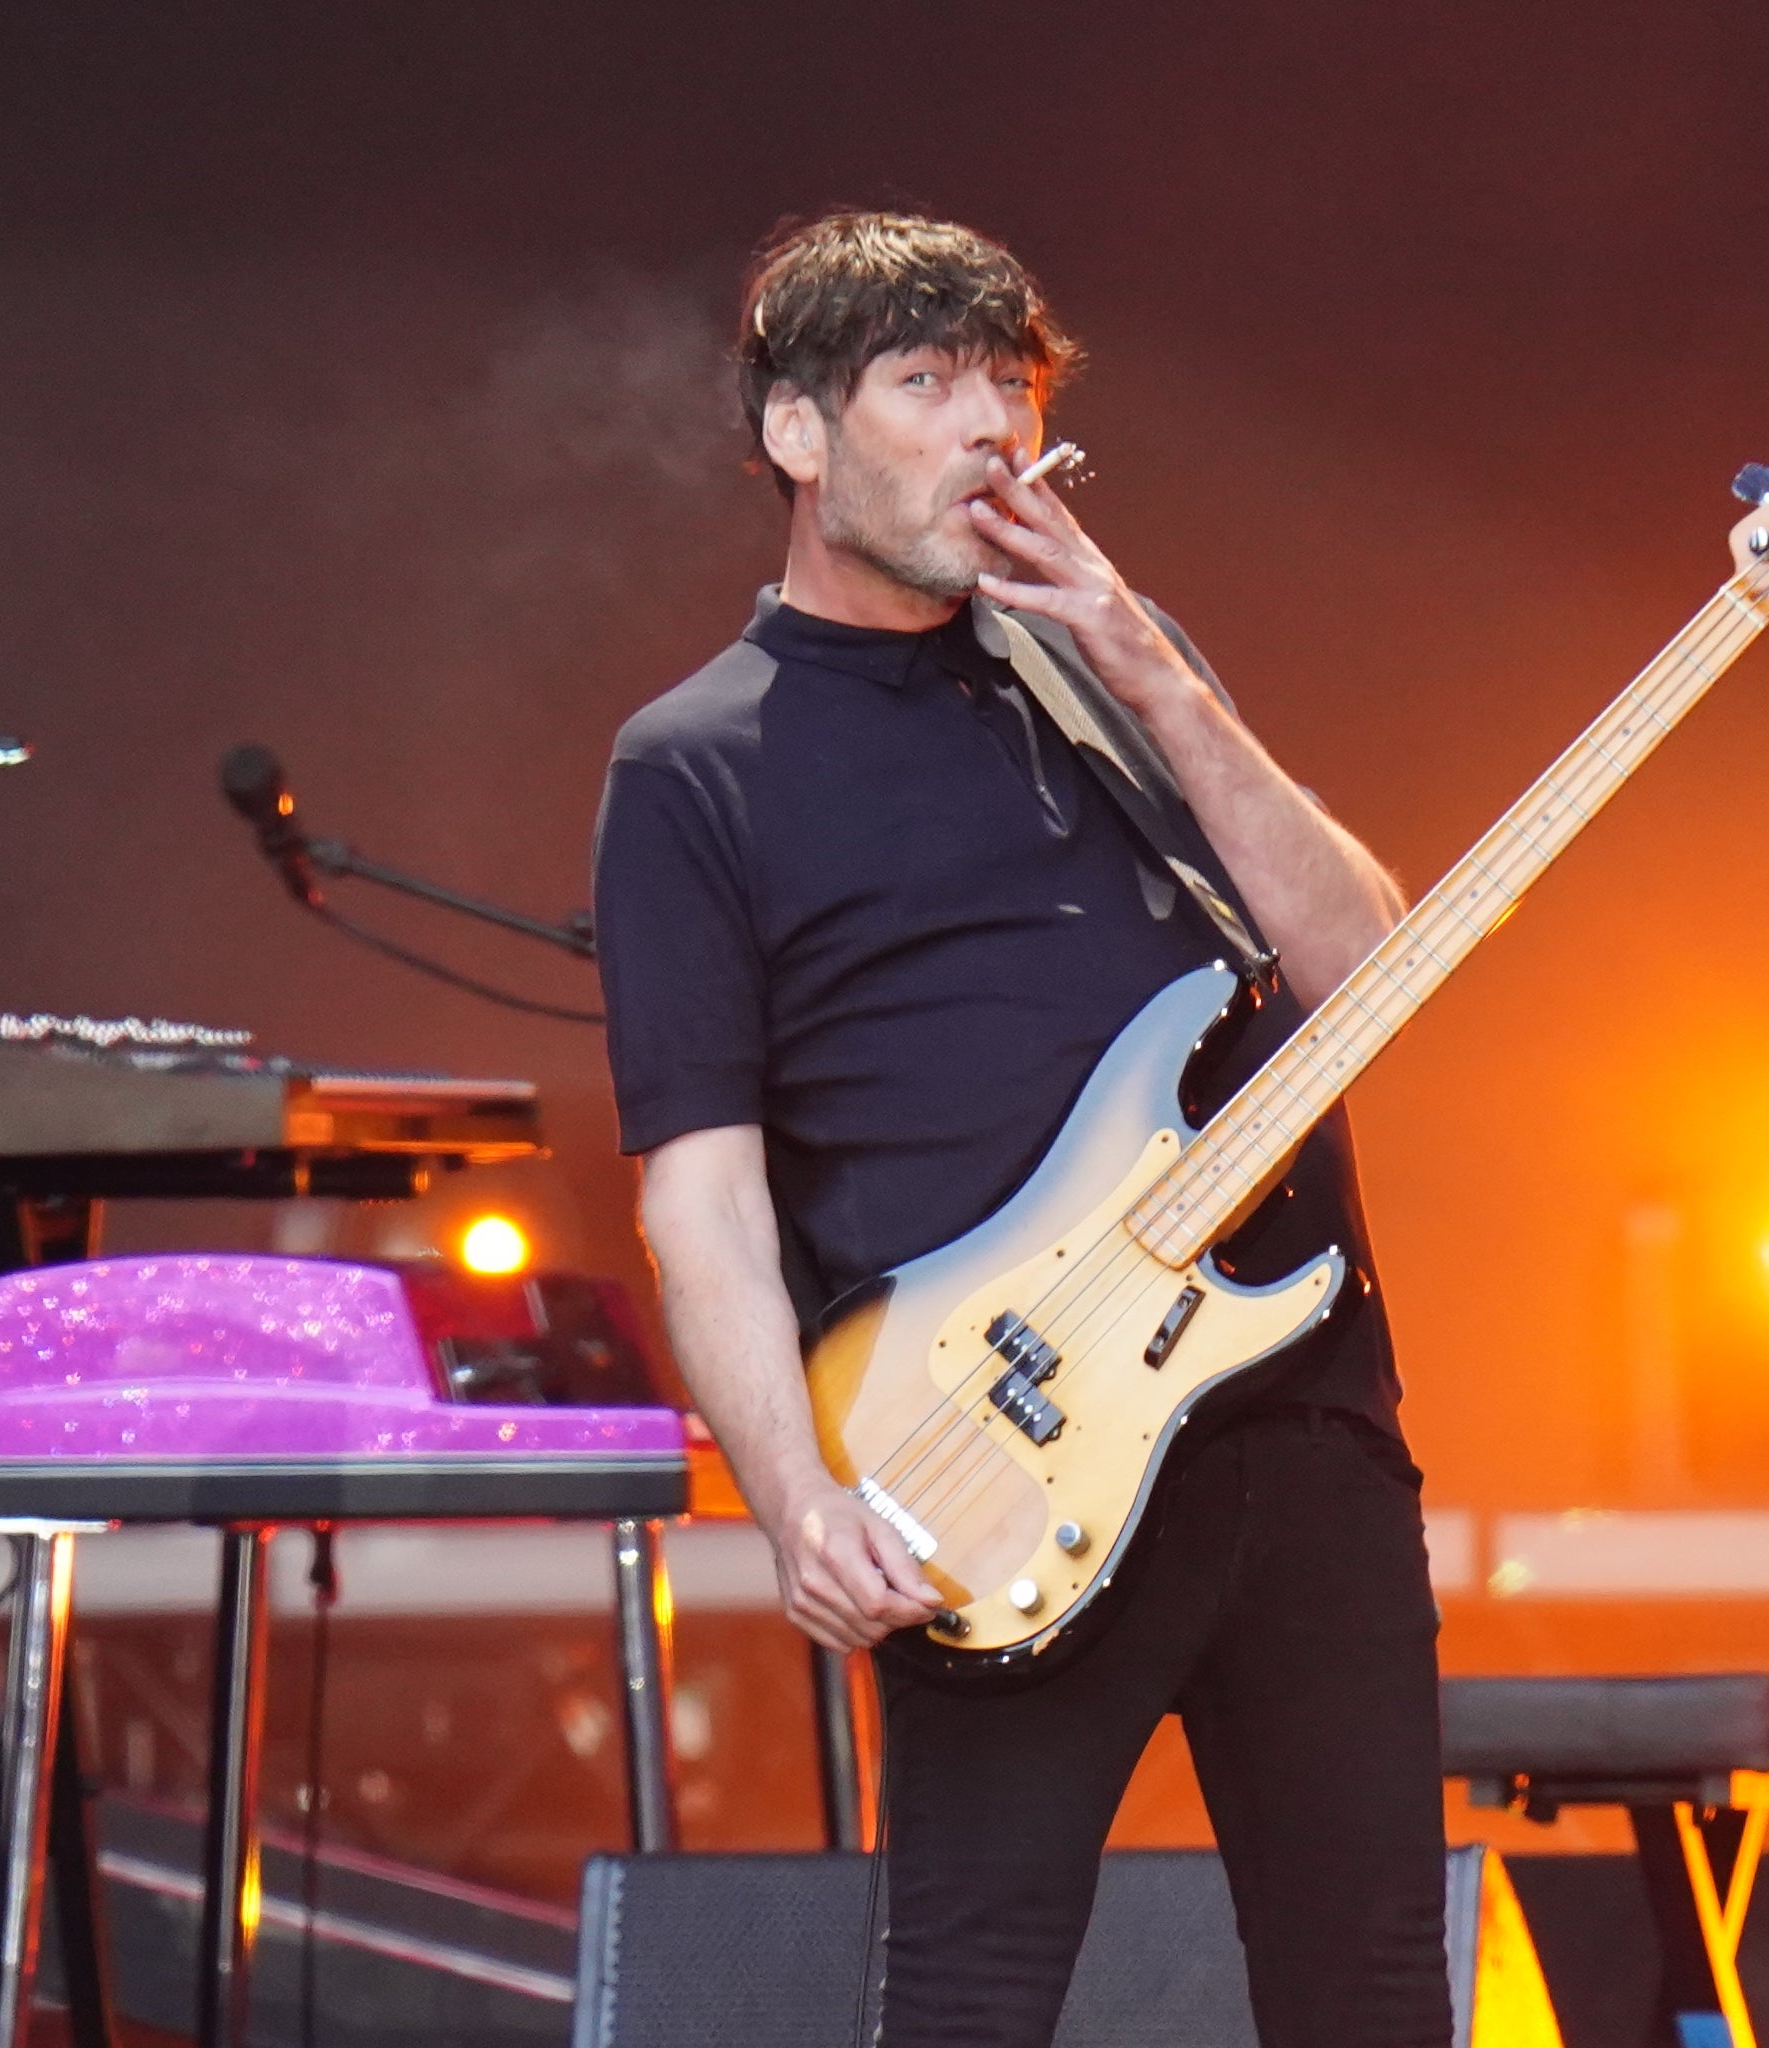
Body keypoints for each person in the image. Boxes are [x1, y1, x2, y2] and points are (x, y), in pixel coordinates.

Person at [591, 212, 1449, 2047]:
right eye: (927, 382)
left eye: (1013, 384)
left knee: (1370, 1991)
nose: (990, 426)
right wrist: (793, 1493)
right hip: (1000, 1453)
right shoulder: (696, 764)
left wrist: (1155, 671)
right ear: (798, 435)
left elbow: (1372, 970)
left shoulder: (1113, 671)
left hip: (1299, 1420)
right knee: (974, 2003)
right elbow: (704, 1201)